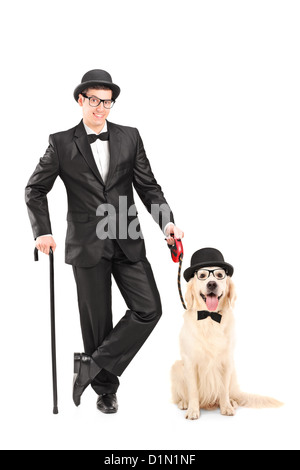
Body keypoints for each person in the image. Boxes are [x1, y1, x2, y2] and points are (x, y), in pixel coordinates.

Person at [25, 69, 184, 414]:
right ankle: (105, 391)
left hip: (127, 234)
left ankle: (91, 365)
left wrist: (167, 223)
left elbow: (148, 186)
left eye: (107, 101)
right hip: (86, 242)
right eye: (94, 100)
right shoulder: (61, 142)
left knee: (149, 308)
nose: (101, 108)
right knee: (97, 321)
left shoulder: (130, 136)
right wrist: (43, 231)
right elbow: (35, 189)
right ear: (81, 100)